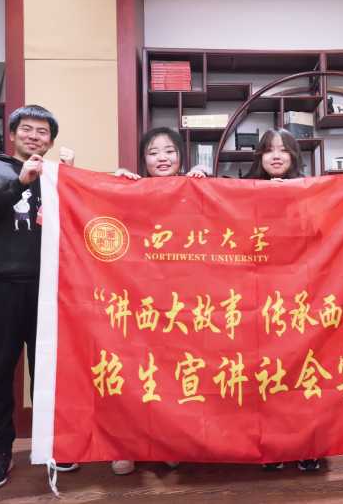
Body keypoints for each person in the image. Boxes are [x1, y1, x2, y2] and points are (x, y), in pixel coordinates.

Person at [0, 105, 79, 489]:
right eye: (27, 129)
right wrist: (19, 182)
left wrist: (74, 181)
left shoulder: (57, 175)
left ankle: (54, 446)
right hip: (1, 286)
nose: (34, 136)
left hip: (49, 288)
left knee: (49, 371)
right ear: (12, 134)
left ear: (51, 140)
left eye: (42, 132)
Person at [110, 127, 206, 476]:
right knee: (132, 370)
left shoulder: (195, 189)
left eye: (169, 151)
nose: (162, 158)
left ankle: (169, 442)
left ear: (181, 156)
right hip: (137, 295)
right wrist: (114, 185)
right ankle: (126, 446)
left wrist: (207, 184)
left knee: (173, 373)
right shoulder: (131, 190)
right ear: (143, 159)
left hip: (181, 300)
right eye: (153, 152)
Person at [244, 127, 321, 473]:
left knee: (303, 371)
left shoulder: (311, 190)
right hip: (258, 295)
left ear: (294, 156)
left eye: (283, 150)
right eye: (268, 150)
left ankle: (308, 445)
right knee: (266, 374)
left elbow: (321, 232)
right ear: (259, 157)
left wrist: (290, 199)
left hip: (301, 292)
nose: (276, 156)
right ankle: (273, 447)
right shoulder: (241, 191)